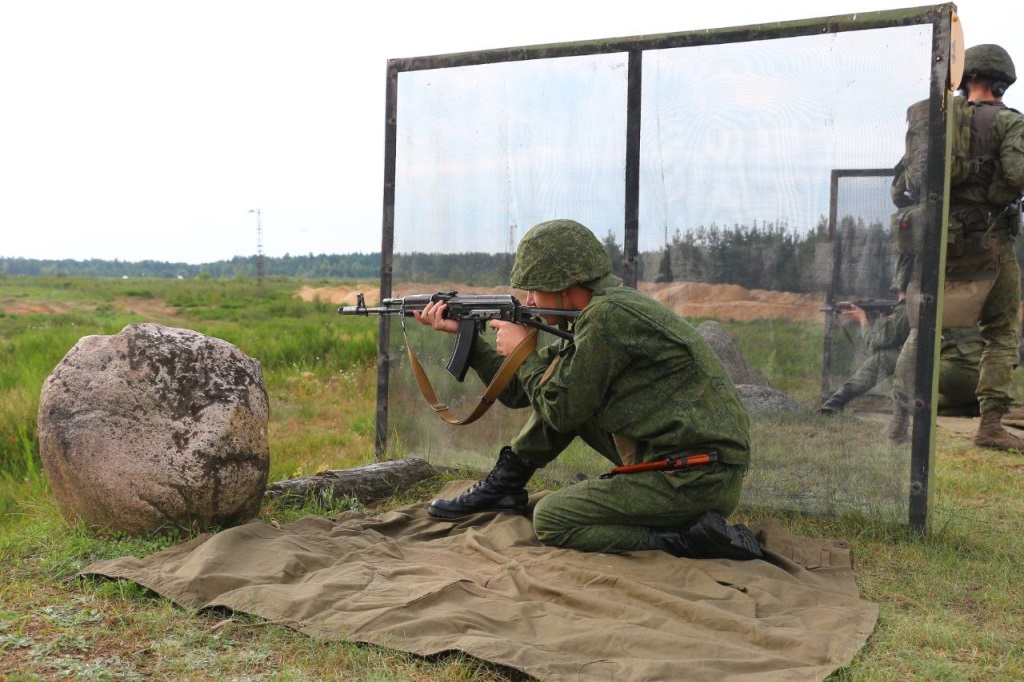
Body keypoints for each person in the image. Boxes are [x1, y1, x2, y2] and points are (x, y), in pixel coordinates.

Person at [415, 219, 763, 561]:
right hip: (690, 465)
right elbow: (521, 394)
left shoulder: (606, 318)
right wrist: (472, 343)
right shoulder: (601, 313)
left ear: (565, 286)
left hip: (695, 477)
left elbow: (561, 410)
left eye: (535, 288)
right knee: (558, 388)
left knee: (552, 519)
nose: (530, 301)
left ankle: (688, 538)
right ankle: (505, 485)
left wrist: (525, 356)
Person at [888, 44, 1024, 449]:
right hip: (988, 241)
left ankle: (898, 423)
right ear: (1002, 82)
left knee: (922, 330)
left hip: (934, 242)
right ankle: (991, 427)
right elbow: (1017, 174)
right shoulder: (1009, 123)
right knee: (1000, 333)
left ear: (966, 80)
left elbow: (901, 189)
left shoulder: (936, 122)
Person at [821, 301, 983, 416]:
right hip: (979, 383)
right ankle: (970, 406)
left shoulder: (912, 304)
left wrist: (863, 320)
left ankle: (834, 404)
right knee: (918, 403)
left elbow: (875, 342)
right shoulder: (948, 296)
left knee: (885, 358)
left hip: (955, 375)